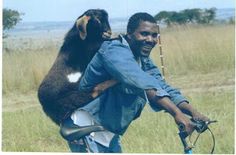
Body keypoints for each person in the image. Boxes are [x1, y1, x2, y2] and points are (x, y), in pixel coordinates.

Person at [67, 12, 209, 153]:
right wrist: (176, 113)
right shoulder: (113, 51)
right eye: (144, 33)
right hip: (86, 128)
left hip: (108, 132)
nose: (150, 39)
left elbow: (162, 86)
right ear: (129, 33)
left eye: (154, 35)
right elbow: (141, 82)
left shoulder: (142, 59)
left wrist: (193, 112)